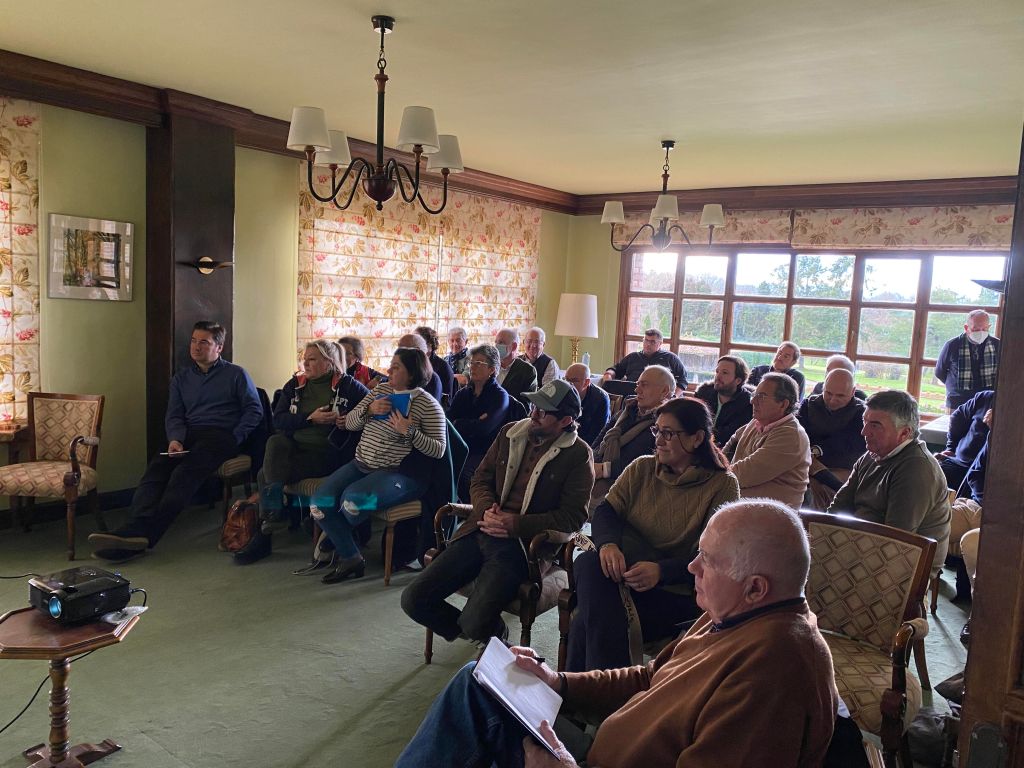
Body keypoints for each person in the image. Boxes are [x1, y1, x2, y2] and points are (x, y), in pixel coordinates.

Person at [395, 499, 838, 768]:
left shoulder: (772, 676)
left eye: (707, 560)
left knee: (474, 704)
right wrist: (558, 681)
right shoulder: (734, 611)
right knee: (482, 682)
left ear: (756, 587)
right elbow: (649, 678)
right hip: (601, 750)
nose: (691, 567)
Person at [401, 379, 594, 645]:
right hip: (479, 529)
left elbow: (573, 518)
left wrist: (516, 524)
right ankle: (488, 631)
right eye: (534, 406)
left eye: (543, 411)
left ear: (565, 421)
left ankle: (484, 631)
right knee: (413, 600)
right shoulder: (510, 433)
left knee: (473, 621)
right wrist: (485, 510)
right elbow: (480, 479)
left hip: (523, 547)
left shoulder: (578, 454)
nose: (534, 414)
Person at [567, 397, 740, 672]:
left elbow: (714, 558)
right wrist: (608, 545)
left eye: (668, 433)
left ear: (697, 438)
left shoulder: (722, 485)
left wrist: (661, 571)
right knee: (589, 563)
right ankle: (605, 689)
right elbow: (606, 511)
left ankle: (580, 689)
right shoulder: (643, 467)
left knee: (587, 619)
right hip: (624, 574)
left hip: (674, 591)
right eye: (657, 430)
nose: (658, 440)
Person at [89, 321, 263, 560]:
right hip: (189, 434)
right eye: (193, 341)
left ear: (219, 347)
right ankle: (134, 528)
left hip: (221, 435)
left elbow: (254, 410)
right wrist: (175, 440)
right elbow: (174, 415)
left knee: (184, 474)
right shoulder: (181, 378)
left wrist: (236, 436)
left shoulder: (236, 374)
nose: (196, 347)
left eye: (204, 342)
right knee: (156, 470)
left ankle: (145, 536)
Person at [311, 346, 447, 584]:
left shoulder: (428, 405)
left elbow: (439, 450)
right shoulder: (380, 391)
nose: (388, 371)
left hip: (398, 473)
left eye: (396, 367)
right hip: (361, 463)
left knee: (352, 504)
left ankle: (336, 537)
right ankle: (352, 557)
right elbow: (349, 423)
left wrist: (410, 431)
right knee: (318, 505)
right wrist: (369, 410)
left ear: (412, 373)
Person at [237, 340, 369, 564]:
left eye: (312, 359)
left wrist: (349, 420)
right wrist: (309, 418)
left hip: (328, 453)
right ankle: (272, 517)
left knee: (264, 474)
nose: (305, 363)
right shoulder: (295, 385)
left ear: (329, 362)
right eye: (304, 359)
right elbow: (278, 420)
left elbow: (370, 413)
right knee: (275, 442)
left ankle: (267, 530)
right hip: (295, 448)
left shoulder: (348, 386)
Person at [829, 390, 951, 573]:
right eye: (865, 421)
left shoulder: (916, 468)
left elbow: (896, 539)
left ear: (904, 433)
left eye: (875, 425)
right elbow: (838, 507)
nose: (864, 432)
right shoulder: (872, 455)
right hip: (864, 543)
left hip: (907, 562)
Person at [722, 372, 810, 508]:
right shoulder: (757, 422)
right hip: (743, 505)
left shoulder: (791, 435)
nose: (752, 401)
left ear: (783, 404)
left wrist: (712, 475)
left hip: (771, 514)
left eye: (761, 397)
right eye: (754, 395)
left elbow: (744, 474)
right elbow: (730, 446)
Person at [590, 365, 674, 505]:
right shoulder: (628, 410)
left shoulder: (668, 423)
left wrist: (604, 469)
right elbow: (599, 441)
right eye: (637, 384)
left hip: (633, 489)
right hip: (601, 475)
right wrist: (591, 462)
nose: (637, 390)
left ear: (664, 391)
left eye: (644, 385)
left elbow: (647, 466)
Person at [448, 344, 511, 502]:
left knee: (463, 475)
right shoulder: (463, 393)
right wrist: (472, 422)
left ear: (492, 369)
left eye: (478, 363)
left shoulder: (499, 396)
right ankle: (446, 512)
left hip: (485, 452)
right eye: (471, 363)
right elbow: (448, 423)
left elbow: (484, 429)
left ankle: (468, 512)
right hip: (460, 447)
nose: (472, 367)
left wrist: (460, 423)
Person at [797, 369, 866, 510]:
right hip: (806, 464)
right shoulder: (808, 405)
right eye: (828, 393)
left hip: (842, 468)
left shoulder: (862, 414)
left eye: (840, 396)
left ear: (853, 392)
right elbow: (798, 437)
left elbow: (850, 449)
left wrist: (814, 452)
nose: (833, 400)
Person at [934, 309, 1000, 411]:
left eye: (984, 329)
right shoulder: (952, 345)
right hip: (956, 401)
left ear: (989, 327)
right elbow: (939, 372)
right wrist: (955, 386)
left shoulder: (997, 345)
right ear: (966, 327)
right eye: (975, 329)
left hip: (986, 402)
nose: (980, 332)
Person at [936, 389, 994, 493]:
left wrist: (997, 428)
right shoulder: (986, 397)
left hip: (986, 475)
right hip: (959, 464)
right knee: (929, 471)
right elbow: (957, 418)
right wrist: (951, 448)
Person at [692, 354, 753, 445]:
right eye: (717, 371)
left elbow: (730, 434)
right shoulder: (703, 393)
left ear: (738, 380)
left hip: (726, 448)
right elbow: (692, 421)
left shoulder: (747, 403)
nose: (718, 376)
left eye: (724, 373)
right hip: (697, 443)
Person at [601, 328, 687, 392]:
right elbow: (616, 370)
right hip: (632, 395)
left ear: (660, 343)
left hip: (659, 399)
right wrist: (608, 375)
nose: (648, 344)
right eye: (646, 340)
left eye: (652, 342)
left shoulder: (670, 358)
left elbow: (683, 380)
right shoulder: (633, 357)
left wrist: (674, 396)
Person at [565, 362, 609, 447]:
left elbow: (598, 434)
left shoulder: (600, 399)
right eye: (566, 379)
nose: (568, 384)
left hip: (587, 445)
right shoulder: (563, 392)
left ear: (586, 382)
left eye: (574, 380)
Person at [494, 327, 538, 409]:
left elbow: (525, 407)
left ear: (514, 346)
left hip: (511, 416)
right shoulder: (490, 366)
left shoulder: (528, 371)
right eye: (495, 342)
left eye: (501, 342)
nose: (496, 346)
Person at [397, 332, 445, 403]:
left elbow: (428, 409)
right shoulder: (397, 374)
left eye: (402, 349)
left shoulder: (432, 380)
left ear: (416, 351)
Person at [415, 325, 456, 401]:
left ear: (430, 344)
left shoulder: (444, 367)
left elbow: (446, 402)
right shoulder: (411, 364)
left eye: (417, 344)